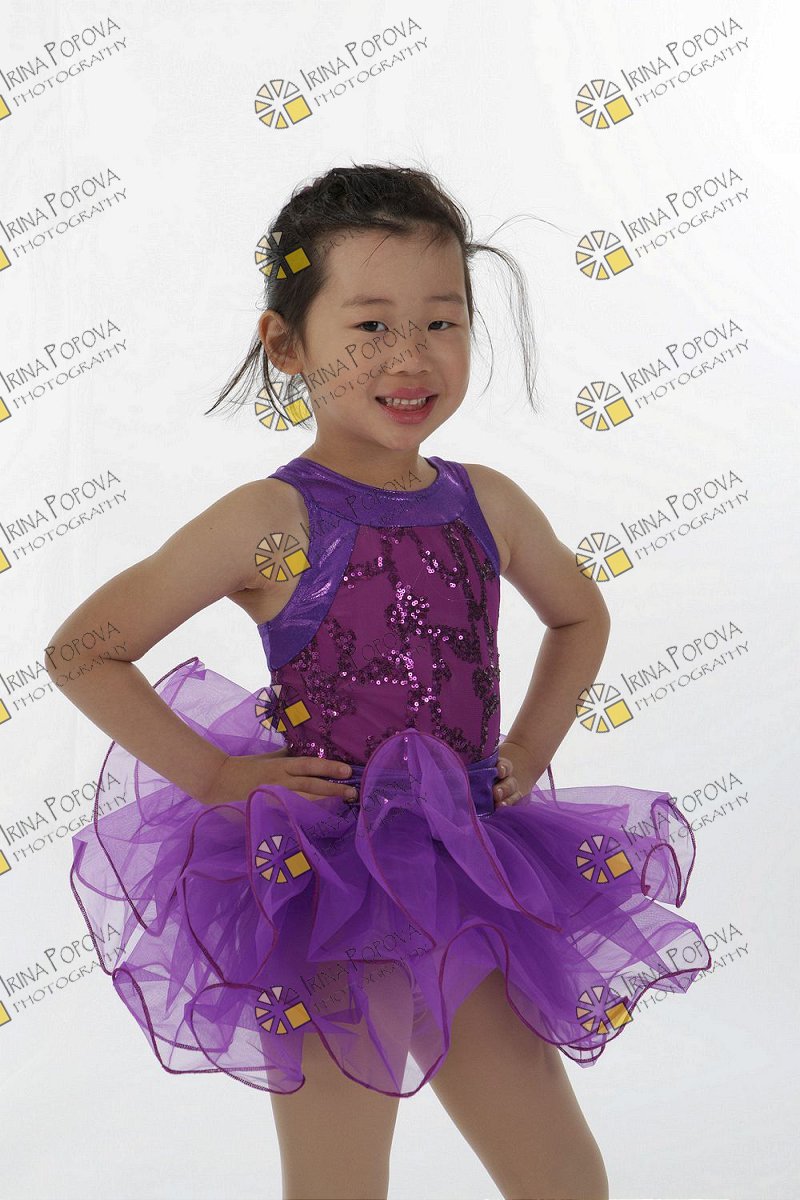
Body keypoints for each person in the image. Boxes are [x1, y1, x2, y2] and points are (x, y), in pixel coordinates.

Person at [50, 163, 710, 1200]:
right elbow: (84, 650)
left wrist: (527, 749)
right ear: (286, 345)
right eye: (369, 327)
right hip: (328, 887)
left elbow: (580, 614)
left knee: (558, 1170)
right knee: (338, 1178)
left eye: (441, 322)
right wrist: (216, 779)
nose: (409, 356)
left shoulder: (486, 503)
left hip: (474, 875)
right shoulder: (273, 522)